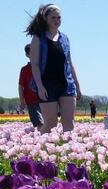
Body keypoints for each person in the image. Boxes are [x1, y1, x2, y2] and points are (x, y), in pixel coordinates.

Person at [25, 4, 81, 132]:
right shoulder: (38, 38)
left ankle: (69, 150)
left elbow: (70, 63)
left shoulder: (64, 38)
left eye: (59, 18)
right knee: (50, 125)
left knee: (69, 124)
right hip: (47, 85)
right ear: (45, 19)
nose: (57, 21)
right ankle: (41, 149)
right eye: (53, 18)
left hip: (66, 84)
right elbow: (34, 64)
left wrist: (77, 85)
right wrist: (39, 86)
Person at [18, 44, 43, 130]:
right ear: (27, 55)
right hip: (31, 101)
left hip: (45, 100)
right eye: (31, 53)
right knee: (39, 122)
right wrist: (22, 101)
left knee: (48, 122)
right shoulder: (25, 69)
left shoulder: (43, 67)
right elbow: (21, 86)